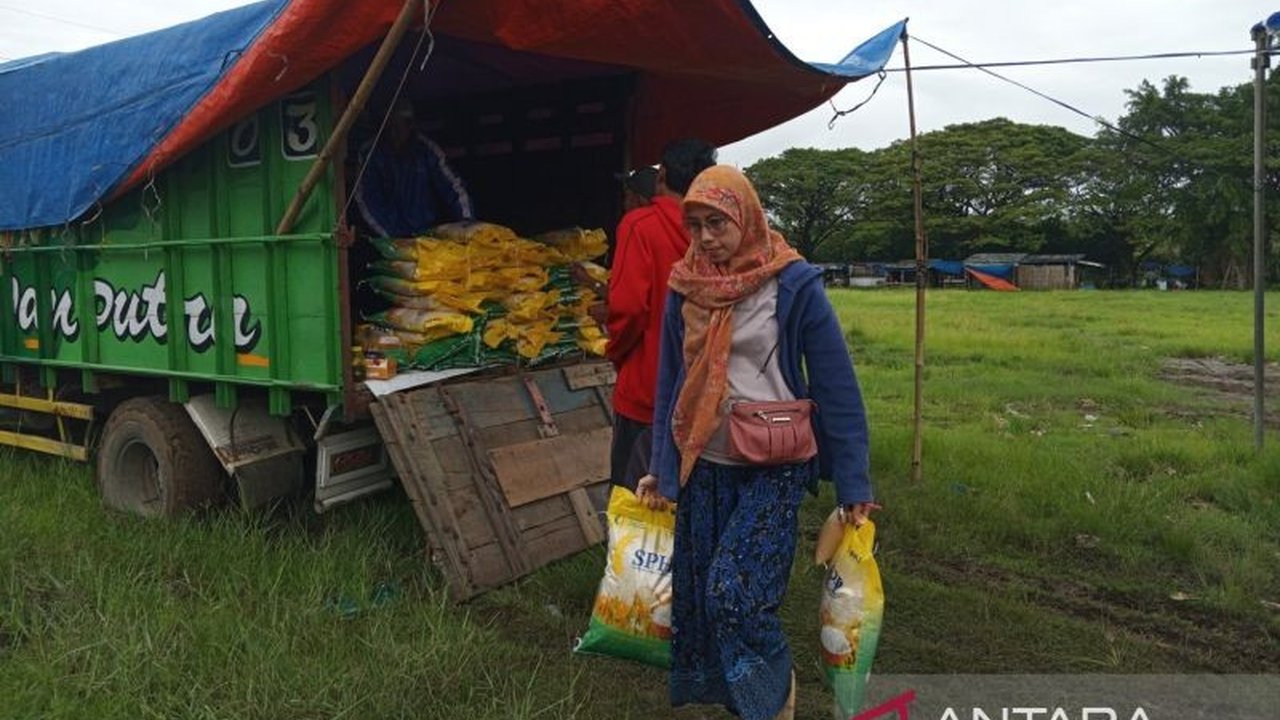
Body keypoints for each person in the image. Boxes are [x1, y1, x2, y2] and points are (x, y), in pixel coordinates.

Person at [637, 165, 876, 720]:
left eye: (716, 222)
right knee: (700, 600)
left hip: (777, 463)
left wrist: (853, 480)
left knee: (734, 592)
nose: (705, 238)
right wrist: (661, 467)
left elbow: (836, 386)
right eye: (694, 225)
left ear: (746, 217)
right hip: (708, 463)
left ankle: (772, 701)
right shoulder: (685, 286)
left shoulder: (791, 284)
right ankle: (743, 698)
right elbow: (671, 384)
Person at [604, 138, 718, 492]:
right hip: (705, 391)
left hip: (646, 390)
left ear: (662, 175)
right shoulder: (720, 232)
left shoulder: (640, 225)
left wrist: (617, 353)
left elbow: (627, 308)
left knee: (635, 500)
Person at [354, 97, 474, 238]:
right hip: (387, 237)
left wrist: (467, 223)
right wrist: (392, 237)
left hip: (427, 234)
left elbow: (454, 187)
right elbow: (368, 201)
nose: (394, 134)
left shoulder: (427, 150)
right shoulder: (370, 153)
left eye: (398, 127)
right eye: (389, 127)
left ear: (410, 126)